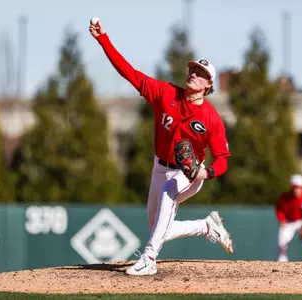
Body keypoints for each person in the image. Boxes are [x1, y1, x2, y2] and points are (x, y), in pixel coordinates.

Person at [89, 19, 233, 276]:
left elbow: (222, 158)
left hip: (188, 173)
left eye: (200, 73)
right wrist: (103, 40)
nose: (193, 74)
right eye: (192, 70)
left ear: (208, 85)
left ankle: (150, 258)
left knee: (169, 194)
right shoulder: (165, 93)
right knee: (159, 227)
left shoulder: (211, 118)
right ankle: (207, 227)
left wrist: (205, 173)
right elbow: (128, 72)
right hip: (159, 167)